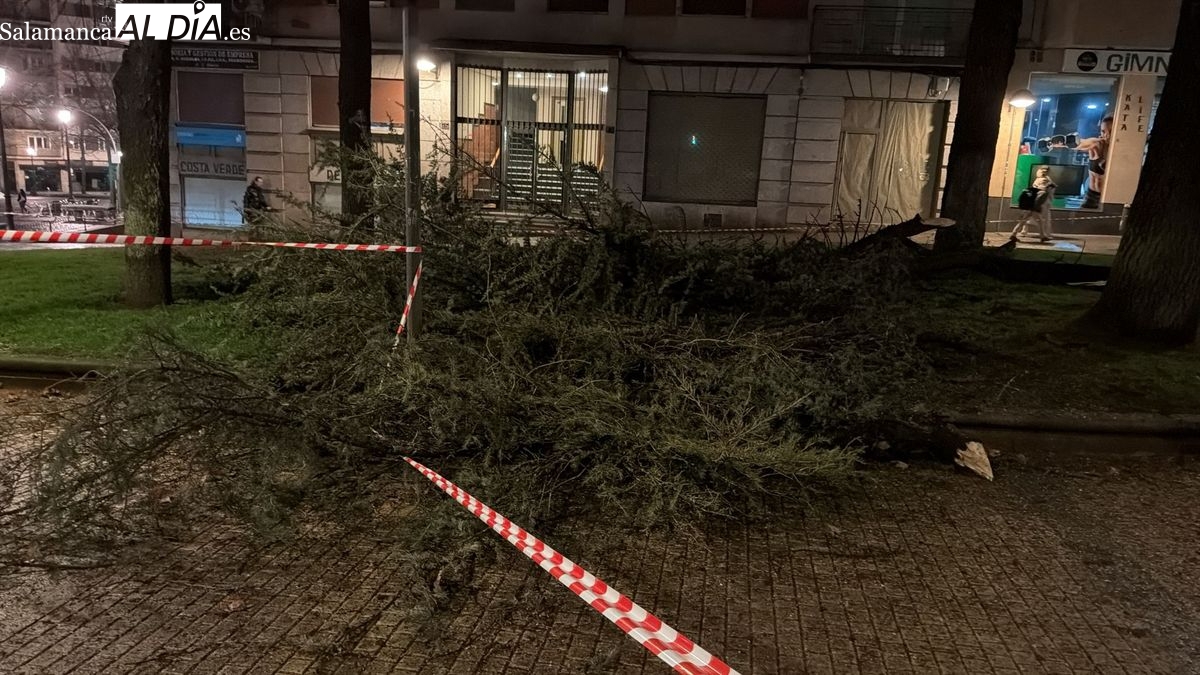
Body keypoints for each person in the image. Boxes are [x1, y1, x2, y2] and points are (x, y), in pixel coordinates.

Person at [1058, 117, 1111, 209]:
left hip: (1109, 198)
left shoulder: (1121, 152)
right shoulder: (1097, 144)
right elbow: (1080, 144)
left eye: (1110, 131)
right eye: (1103, 131)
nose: (1106, 135)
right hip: (1092, 196)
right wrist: (1056, 142)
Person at [1011, 165, 1056, 243]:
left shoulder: (1037, 183)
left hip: (1030, 207)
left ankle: (1014, 234)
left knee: (1025, 221)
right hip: (1033, 208)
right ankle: (1042, 236)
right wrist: (1037, 208)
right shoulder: (1043, 188)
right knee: (1036, 221)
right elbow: (1039, 199)